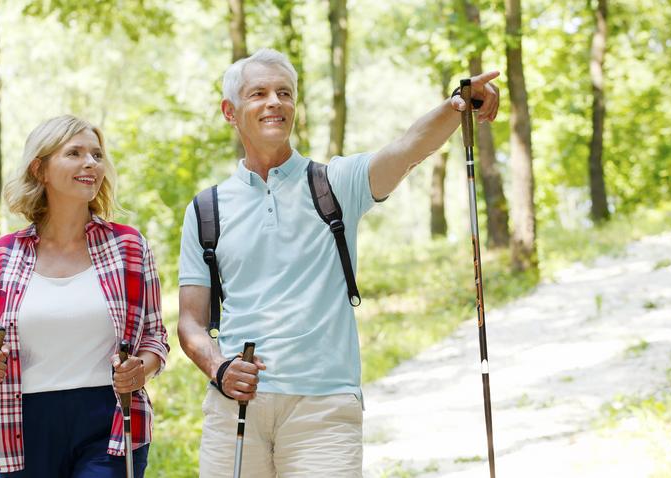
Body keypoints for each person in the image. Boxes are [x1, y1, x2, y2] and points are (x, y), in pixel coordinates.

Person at [177, 49, 499, 477]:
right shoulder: (206, 209)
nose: (275, 101)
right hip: (234, 410)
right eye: (259, 93)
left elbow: (406, 148)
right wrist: (219, 367)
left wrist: (454, 105)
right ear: (230, 112)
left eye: (284, 93)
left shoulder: (335, 184)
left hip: (324, 410)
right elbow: (190, 324)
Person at [0, 115, 169, 477]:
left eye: (96, 154)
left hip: (109, 417)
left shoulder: (128, 247)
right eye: (74, 153)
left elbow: (155, 337)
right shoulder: (0, 257)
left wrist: (142, 371)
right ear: (40, 169)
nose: (90, 163)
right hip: (22, 424)